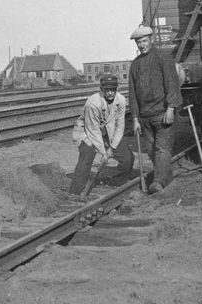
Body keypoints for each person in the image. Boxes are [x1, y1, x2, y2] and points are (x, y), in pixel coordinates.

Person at [128, 25, 183, 194]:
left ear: (151, 39)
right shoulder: (135, 65)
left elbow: (172, 84)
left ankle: (158, 182)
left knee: (162, 148)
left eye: (144, 41)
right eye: (139, 43)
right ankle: (166, 176)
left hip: (162, 113)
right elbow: (133, 93)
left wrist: (171, 108)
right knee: (151, 150)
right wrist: (135, 118)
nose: (142, 45)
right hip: (145, 116)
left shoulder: (163, 58)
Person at [68, 74, 135, 195]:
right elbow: (93, 131)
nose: (110, 93)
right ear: (101, 89)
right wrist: (104, 153)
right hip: (88, 132)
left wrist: (112, 148)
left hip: (109, 131)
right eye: (107, 90)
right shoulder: (92, 103)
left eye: (113, 90)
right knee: (87, 156)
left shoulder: (121, 100)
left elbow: (120, 126)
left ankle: (115, 182)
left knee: (127, 158)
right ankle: (75, 191)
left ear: (116, 89)